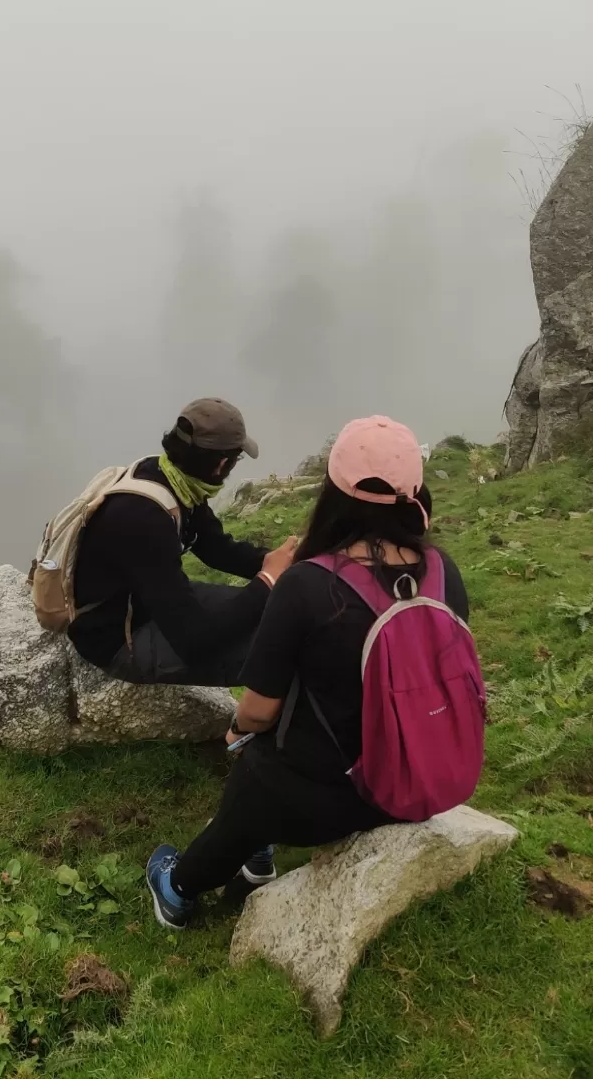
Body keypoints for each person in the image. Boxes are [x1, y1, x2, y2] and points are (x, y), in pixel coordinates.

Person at [146, 415, 472, 929]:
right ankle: (254, 857)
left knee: (253, 769)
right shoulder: (441, 572)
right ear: (415, 491)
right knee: (264, 767)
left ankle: (181, 888)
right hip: (416, 780)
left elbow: (258, 710)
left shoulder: (306, 584)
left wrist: (238, 730)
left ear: (334, 491)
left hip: (324, 801)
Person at [69, 398, 297, 688]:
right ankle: (259, 728)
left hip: (153, 602)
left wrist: (281, 565)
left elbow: (216, 549)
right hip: (119, 637)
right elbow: (196, 643)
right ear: (222, 464)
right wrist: (266, 581)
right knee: (285, 648)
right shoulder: (143, 518)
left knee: (284, 614)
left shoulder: (173, 478)